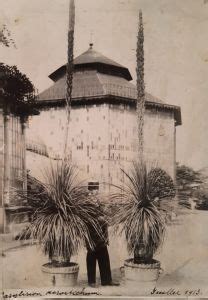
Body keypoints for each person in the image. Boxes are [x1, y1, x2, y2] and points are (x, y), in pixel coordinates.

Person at [86, 200, 119, 287]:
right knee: (91, 259)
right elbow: (86, 220)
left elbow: (106, 220)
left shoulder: (100, 206)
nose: (95, 195)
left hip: (101, 238)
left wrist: (106, 238)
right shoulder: (86, 205)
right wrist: (99, 218)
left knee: (104, 258)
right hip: (92, 238)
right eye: (92, 192)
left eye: (96, 191)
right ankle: (91, 281)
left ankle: (106, 280)